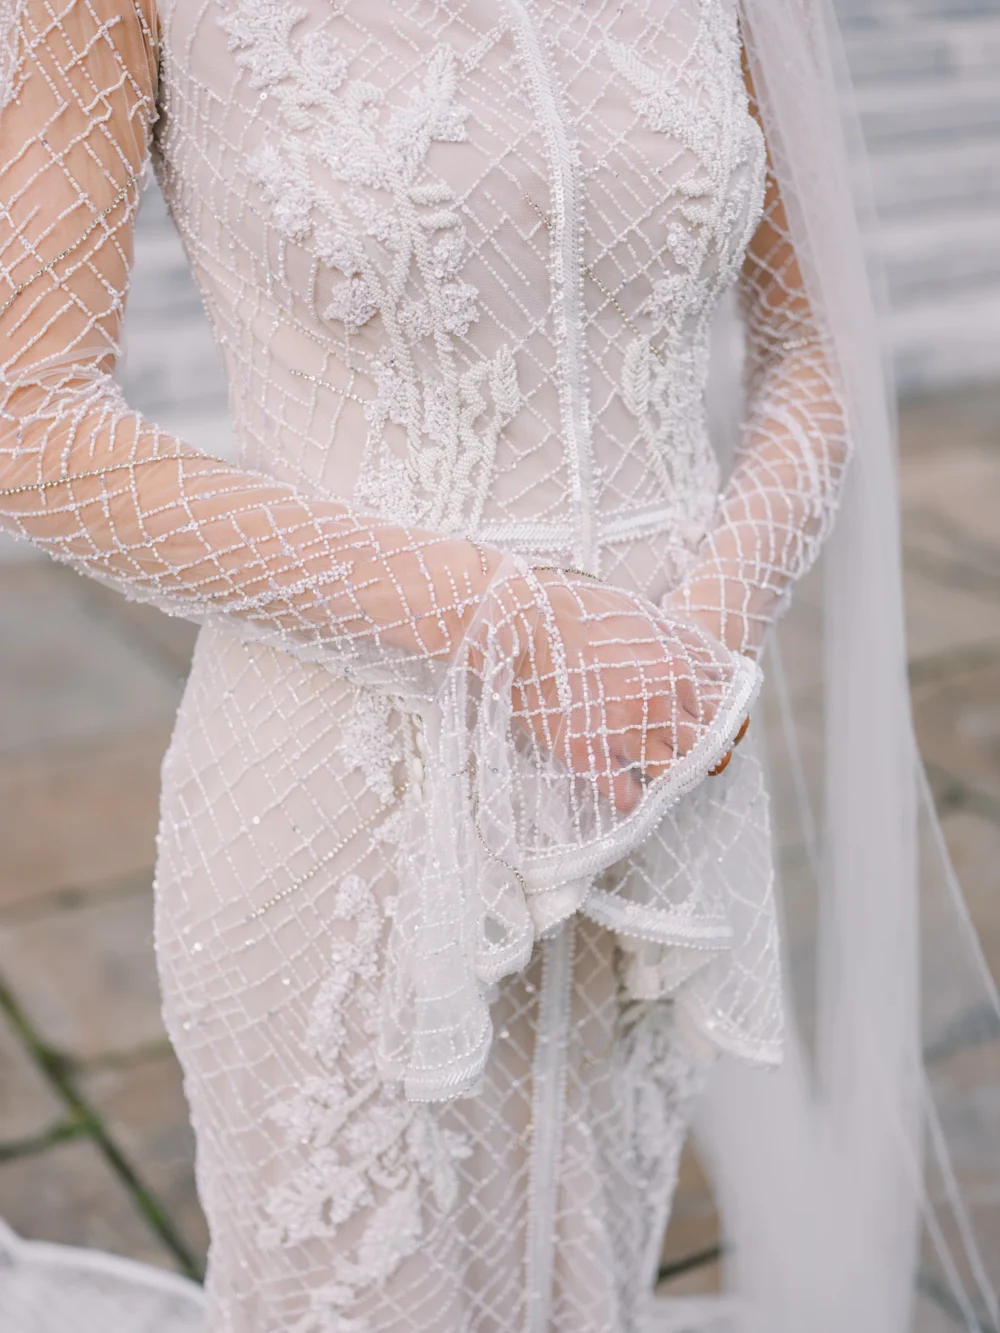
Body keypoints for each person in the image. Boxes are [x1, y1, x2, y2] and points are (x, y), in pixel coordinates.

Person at [1, 1, 996, 1330]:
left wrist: (701, 635)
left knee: (599, 1271)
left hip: (662, 772)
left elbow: (818, 349)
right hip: (347, 802)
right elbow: (32, 420)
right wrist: (523, 633)